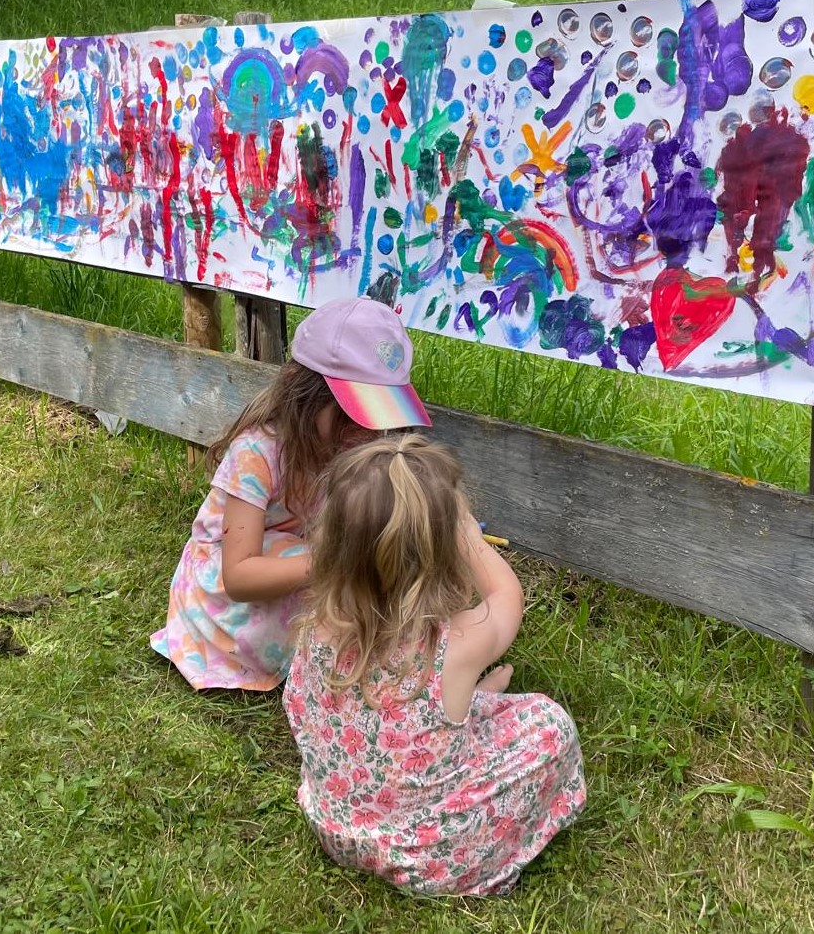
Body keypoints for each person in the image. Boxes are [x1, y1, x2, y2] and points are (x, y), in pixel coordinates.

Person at [283, 434, 585, 896]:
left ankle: (471, 702)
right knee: (550, 725)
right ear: (441, 553)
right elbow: (506, 597)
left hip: (337, 829)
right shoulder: (455, 644)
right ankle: (477, 855)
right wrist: (469, 536)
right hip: (427, 856)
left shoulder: (315, 626)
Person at [150, 297, 432, 691]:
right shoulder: (258, 453)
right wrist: (335, 562)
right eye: (357, 416)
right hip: (228, 594)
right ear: (308, 396)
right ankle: (354, 667)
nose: (370, 434)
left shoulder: (349, 447)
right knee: (346, 597)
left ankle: (392, 660)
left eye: (380, 418)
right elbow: (239, 576)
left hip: (296, 560)